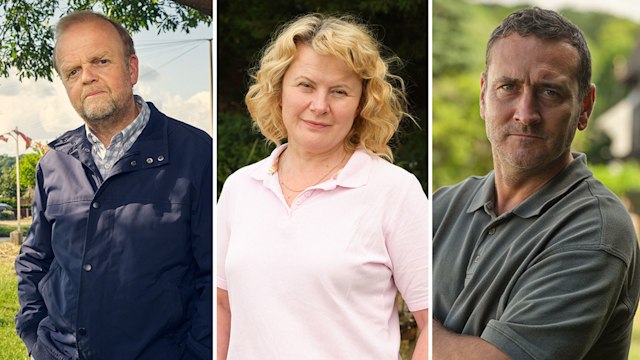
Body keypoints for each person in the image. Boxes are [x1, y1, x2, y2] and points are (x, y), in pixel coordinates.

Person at [216, 13, 428, 359]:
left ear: (362, 104)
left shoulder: (394, 191)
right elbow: (221, 306)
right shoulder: (241, 187)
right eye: (306, 85)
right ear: (279, 90)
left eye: (340, 92)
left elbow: (432, 320)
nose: (319, 106)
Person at [433, 7, 640, 360]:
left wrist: (420, 329)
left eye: (549, 93)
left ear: (585, 107)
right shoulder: (440, 207)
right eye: (508, 87)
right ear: (484, 95)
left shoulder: (595, 231)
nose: (525, 113)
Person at [14, 11, 212, 360]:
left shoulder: (196, 153)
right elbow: (34, 259)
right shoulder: (54, 162)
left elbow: (214, 278)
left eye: (100, 61)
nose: (87, 78)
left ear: (132, 69)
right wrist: (34, 338)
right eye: (72, 71)